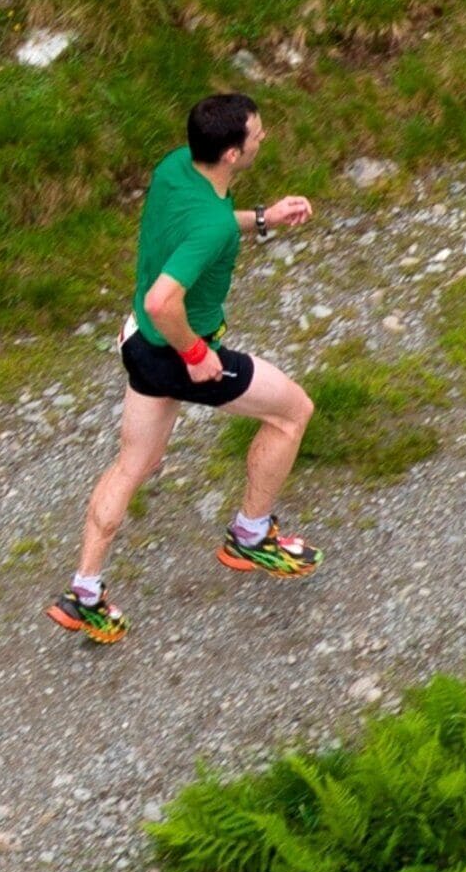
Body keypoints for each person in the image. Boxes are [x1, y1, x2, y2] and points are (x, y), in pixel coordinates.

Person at [52, 91, 322, 645]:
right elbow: (163, 299)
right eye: (256, 133)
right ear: (230, 154)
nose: (263, 137)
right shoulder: (212, 227)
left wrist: (266, 217)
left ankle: (85, 594)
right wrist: (198, 357)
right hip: (178, 352)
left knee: (135, 465)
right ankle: (250, 536)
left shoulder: (176, 167)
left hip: (139, 346)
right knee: (293, 412)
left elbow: (207, 225)